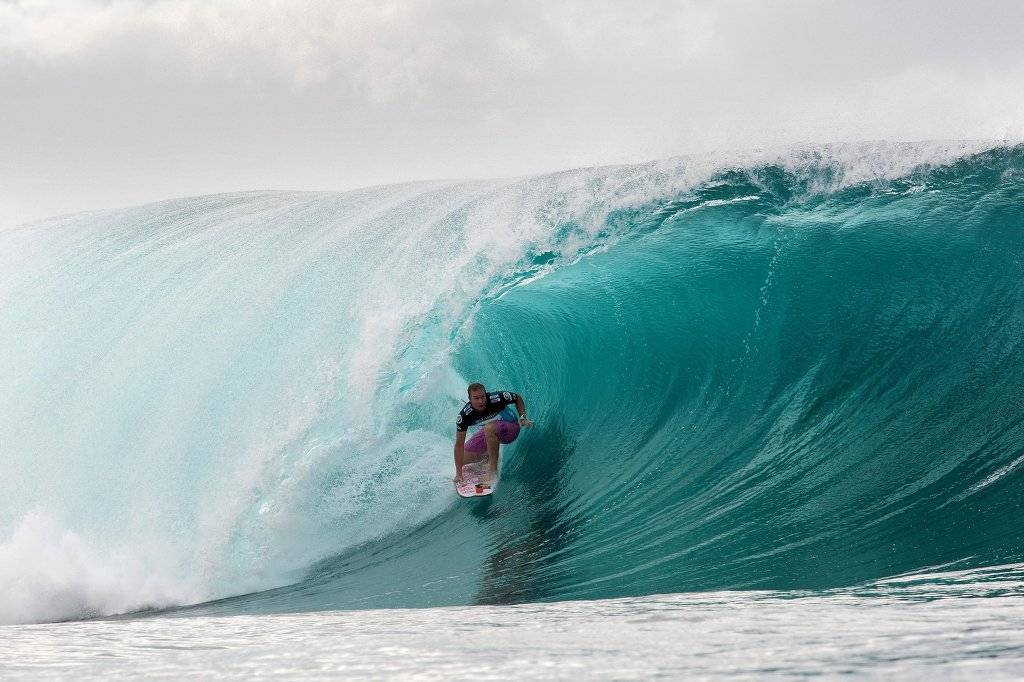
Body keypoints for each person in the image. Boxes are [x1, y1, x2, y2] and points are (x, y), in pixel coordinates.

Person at [454, 383, 533, 484]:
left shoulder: (496, 398)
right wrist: (458, 474)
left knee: (489, 428)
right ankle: (487, 457)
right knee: (463, 459)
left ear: (486, 394)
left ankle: (492, 470)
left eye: (483, 397)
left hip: (510, 428)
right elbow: (459, 445)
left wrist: (523, 417)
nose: (481, 401)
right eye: (476, 398)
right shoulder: (465, 416)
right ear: (470, 399)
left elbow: (517, 398)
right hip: (490, 431)